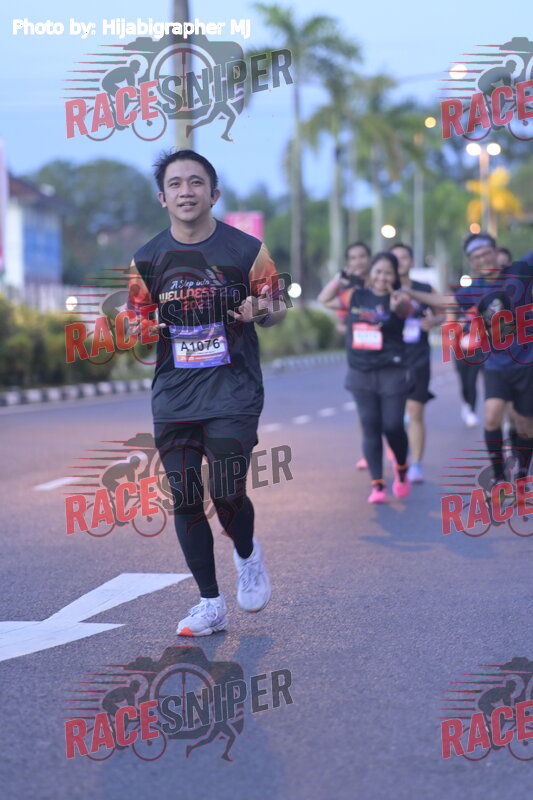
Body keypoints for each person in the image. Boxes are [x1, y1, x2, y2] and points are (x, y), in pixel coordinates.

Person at [128, 149, 287, 636]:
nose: (186, 191)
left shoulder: (247, 249)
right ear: (162, 198)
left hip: (233, 390)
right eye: (175, 184)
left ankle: (247, 553)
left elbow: (278, 305)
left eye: (196, 182)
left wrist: (260, 310)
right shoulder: (147, 258)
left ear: (214, 193)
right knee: (184, 495)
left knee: (226, 489)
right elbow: (134, 323)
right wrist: (141, 328)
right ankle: (210, 603)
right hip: (174, 394)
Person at [405, 232, 533, 490]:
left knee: (525, 424)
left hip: (527, 363)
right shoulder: (475, 288)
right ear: (471, 262)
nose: (483, 260)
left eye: (486, 253)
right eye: (476, 257)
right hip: (496, 364)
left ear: (496, 252)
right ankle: (499, 475)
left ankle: (522, 473)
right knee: (491, 417)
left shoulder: (519, 271)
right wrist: (410, 292)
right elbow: (446, 301)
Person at [325, 252, 413, 503]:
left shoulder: (399, 298)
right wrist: (339, 278)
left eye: (388, 273)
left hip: (391, 371)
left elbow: (405, 311)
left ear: (395, 276)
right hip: (361, 371)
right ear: (371, 273)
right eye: (378, 271)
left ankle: (402, 467)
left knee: (393, 426)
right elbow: (324, 299)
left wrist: (398, 306)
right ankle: (378, 485)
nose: (383, 277)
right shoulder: (356, 296)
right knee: (370, 425)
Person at [390, 243, 445, 483]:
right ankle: (399, 453)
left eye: (404, 257)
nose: (400, 262)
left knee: (415, 411)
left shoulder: (424, 288)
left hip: (418, 357)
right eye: (395, 258)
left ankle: (417, 465)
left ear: (412, 261)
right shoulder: (382, 287)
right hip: (389, 359)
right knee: (392, 417)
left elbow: (444, 310)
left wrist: (434, 321)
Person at [318, 241, 372, 469]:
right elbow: (324, 300)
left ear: (370, 258)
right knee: (364, 409)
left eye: (362, 256)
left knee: (389, 413)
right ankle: (369, 451)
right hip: (359, 357)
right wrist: (340, 278)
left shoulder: (382, 283)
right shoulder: (349, 292)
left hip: (388, 356)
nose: (358, 262)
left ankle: (393, 447)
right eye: (353, 258)